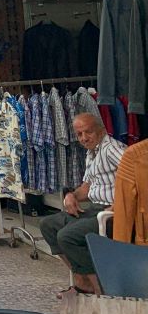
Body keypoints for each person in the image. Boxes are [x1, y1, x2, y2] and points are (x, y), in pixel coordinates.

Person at [41, 112, 125, 297]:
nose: (84, 138)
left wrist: (118, 205)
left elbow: (135, 173)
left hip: (112, 213)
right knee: (48, 225)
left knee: (67, 236)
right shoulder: (92, 152)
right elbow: (87, 187)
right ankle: (83, 281)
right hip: (95, 208)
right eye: (79, 134)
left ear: (101, 131)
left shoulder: (111, 148)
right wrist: (72, 196)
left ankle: (100, 290)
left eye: (88, 132)